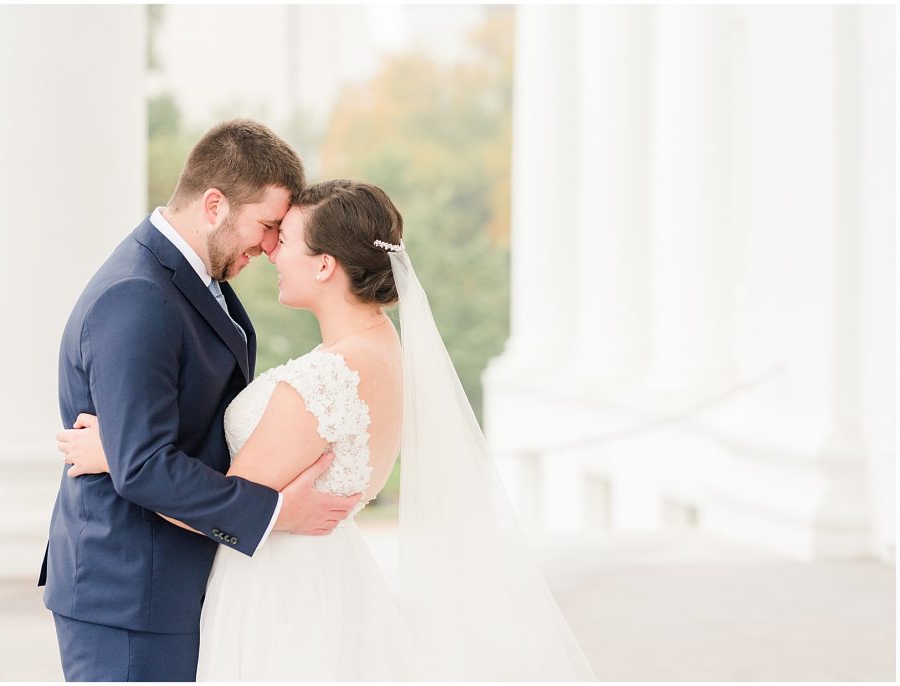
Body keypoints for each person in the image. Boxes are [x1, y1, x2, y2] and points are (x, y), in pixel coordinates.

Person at [60, 179, 597, 680]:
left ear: (324, 267)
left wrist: (122, 454)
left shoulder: (318, 384)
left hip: (280, 595)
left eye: (285, 237)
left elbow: (202, 503)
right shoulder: (385, 351)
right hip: (335, 583)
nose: (271, 249)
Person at [40, 120, 362, 682]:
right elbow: (144, 468)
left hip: (176, 583)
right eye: (265, 226)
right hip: (132, 596)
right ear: (214, 205)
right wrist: (279, 513)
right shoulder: (137, 295)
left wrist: (118, 452)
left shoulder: (197, 280)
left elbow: (156, 445)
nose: (269, 246)